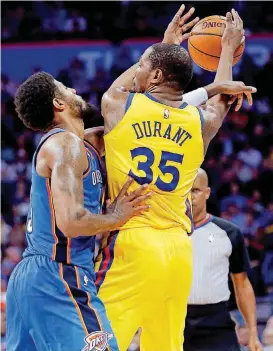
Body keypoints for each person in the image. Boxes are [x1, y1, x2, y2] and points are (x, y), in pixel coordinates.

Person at [95, 6, 256, 351]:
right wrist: (226, 51)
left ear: (153, 76)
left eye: (142, 66)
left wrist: (163, 44)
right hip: (179, 249)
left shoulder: (118, 105)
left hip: (133, 241)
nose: (137, 70)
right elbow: (222, 101)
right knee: (165, 346)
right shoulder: (199, 123)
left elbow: (116, 87)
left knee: (99, 342)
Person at [6, 72, 152, 351]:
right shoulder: (64, 145)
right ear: (58, 104)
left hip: (31, 276)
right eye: (65, 88)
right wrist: (116, 217)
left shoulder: (83, 145)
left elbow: (124, 103)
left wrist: (162, 54)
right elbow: (71, 222)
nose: (73, 88)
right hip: (59, 275)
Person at [184, 168, 263, 351]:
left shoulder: (229, 233)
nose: (190, 197)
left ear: (207, 193)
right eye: (185, 190)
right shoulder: (165, 233)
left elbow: (242, 285)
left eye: (195, 190)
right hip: (175, 320)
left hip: (216, 322)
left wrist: (252, 333)